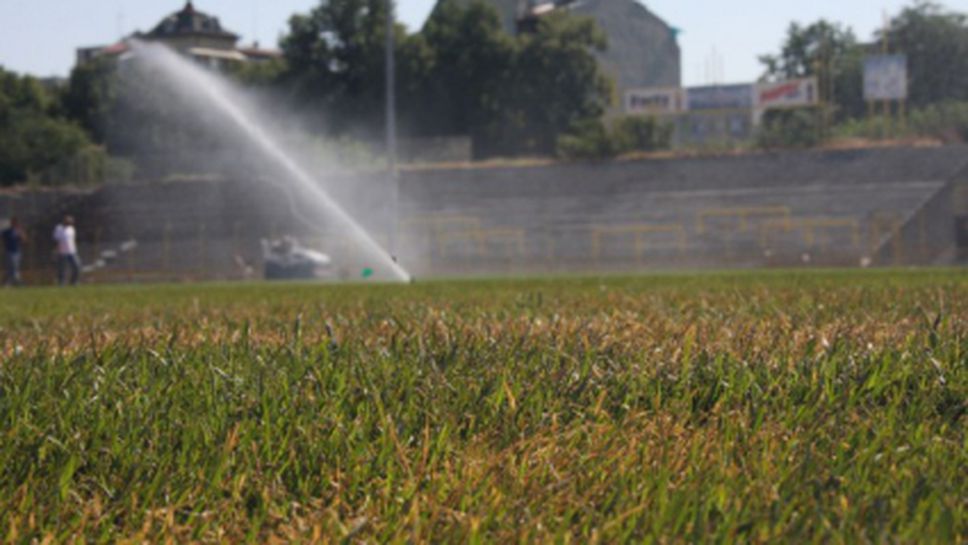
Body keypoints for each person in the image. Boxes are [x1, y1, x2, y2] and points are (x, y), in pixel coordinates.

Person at [53, 215, 80, 286]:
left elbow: (73, 240)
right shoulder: (58, 228)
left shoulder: (72, 229)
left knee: (77, 266)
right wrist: (56, 250)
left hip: (72, 251)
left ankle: (74, 282)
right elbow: (56, 240)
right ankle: (61, 283)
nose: (70, 222)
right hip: (62, 252)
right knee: (62, 268)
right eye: (68, 221)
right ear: (64, 221)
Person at [2, 217, 25, 286]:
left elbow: (24, 240)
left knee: (15, 267)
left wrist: (21, 232)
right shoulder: (7, 231)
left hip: (17, 252)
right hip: (9, 251)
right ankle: (11, 281)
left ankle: (15, 281)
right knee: (10, 267)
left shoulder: (18, 231)